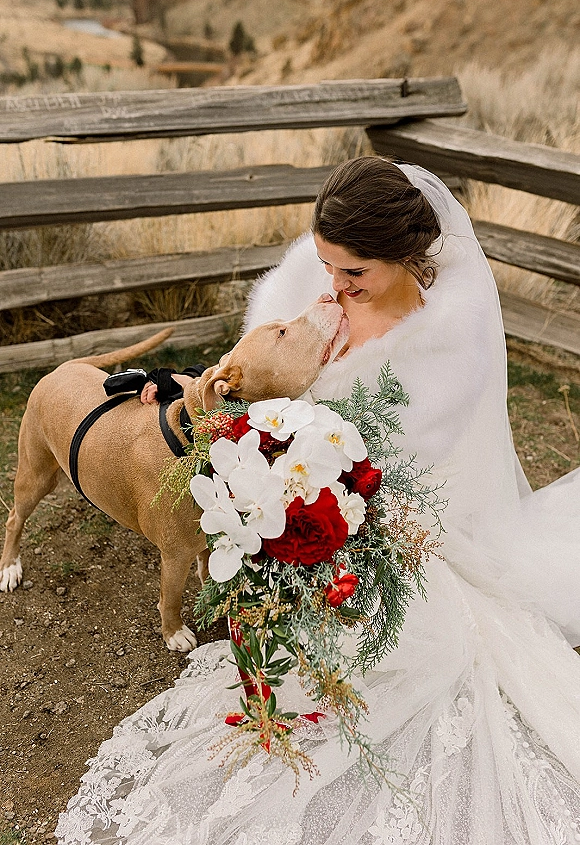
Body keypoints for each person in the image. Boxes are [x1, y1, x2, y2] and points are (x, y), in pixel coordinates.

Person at [55, 158, 580, 844]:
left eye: (353, 274)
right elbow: (256, 373)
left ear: (402, 255)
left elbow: (392, 469)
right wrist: (191, 389)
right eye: (327, 264)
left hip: (385, 513)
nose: (333, 286)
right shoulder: (318, 278)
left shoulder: (444, 345)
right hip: (301, 487)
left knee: (421, 664)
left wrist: (303, 502)